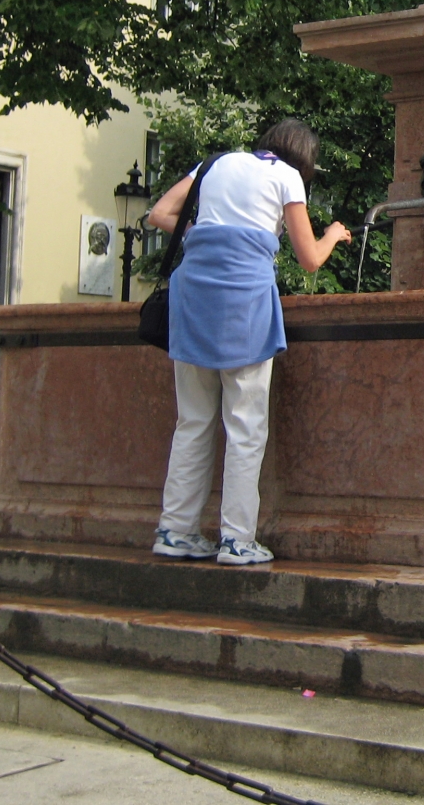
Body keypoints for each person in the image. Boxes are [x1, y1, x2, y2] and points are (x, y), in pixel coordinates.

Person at [146, 119, 351, 566]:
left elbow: (158, 214)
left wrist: (207, 234)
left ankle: (175, 530)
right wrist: (333, 234)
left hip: (193, 298)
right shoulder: (287, 177)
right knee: (245, 425)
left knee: (193, 421)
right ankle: (237, 540)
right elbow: (310, 259)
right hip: (243, 305)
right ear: (305, 158)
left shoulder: (214, 164)